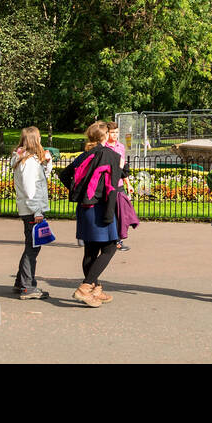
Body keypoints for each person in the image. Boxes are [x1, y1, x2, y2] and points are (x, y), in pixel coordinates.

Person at [60, 121, 123, 307]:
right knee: (110, 247)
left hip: (85, 207)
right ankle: (85, 287)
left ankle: (96, 288)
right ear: (104, 136)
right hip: (102, 207)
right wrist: (110, 213)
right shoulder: (110, 155)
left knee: (90, 250)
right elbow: (112, 188)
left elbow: (64, 174)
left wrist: (77, 192)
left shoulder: (86, 154)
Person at [11, 127, 53, 299]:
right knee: (32, 248)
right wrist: (37, 211)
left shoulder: (26, 159)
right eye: (40, 138)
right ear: (34, 140)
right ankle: (27, 286)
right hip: (32, 209)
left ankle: (21, 283)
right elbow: (30, 189)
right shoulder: (28, 162)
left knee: (32, 245)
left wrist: (47, 162)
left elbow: (42, 177)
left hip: (28, 208)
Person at [105, 122, 134, 251]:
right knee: (109, 213)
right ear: (107, 133)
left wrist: (128, 183)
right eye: (112, 132)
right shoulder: (104, 147)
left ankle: (118, 240)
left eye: (117, 132)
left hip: (119, 185)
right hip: (107, 185)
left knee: (121, 213)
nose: (115, 135)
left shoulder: (120, 147)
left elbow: (123, 168)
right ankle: (109, 239)